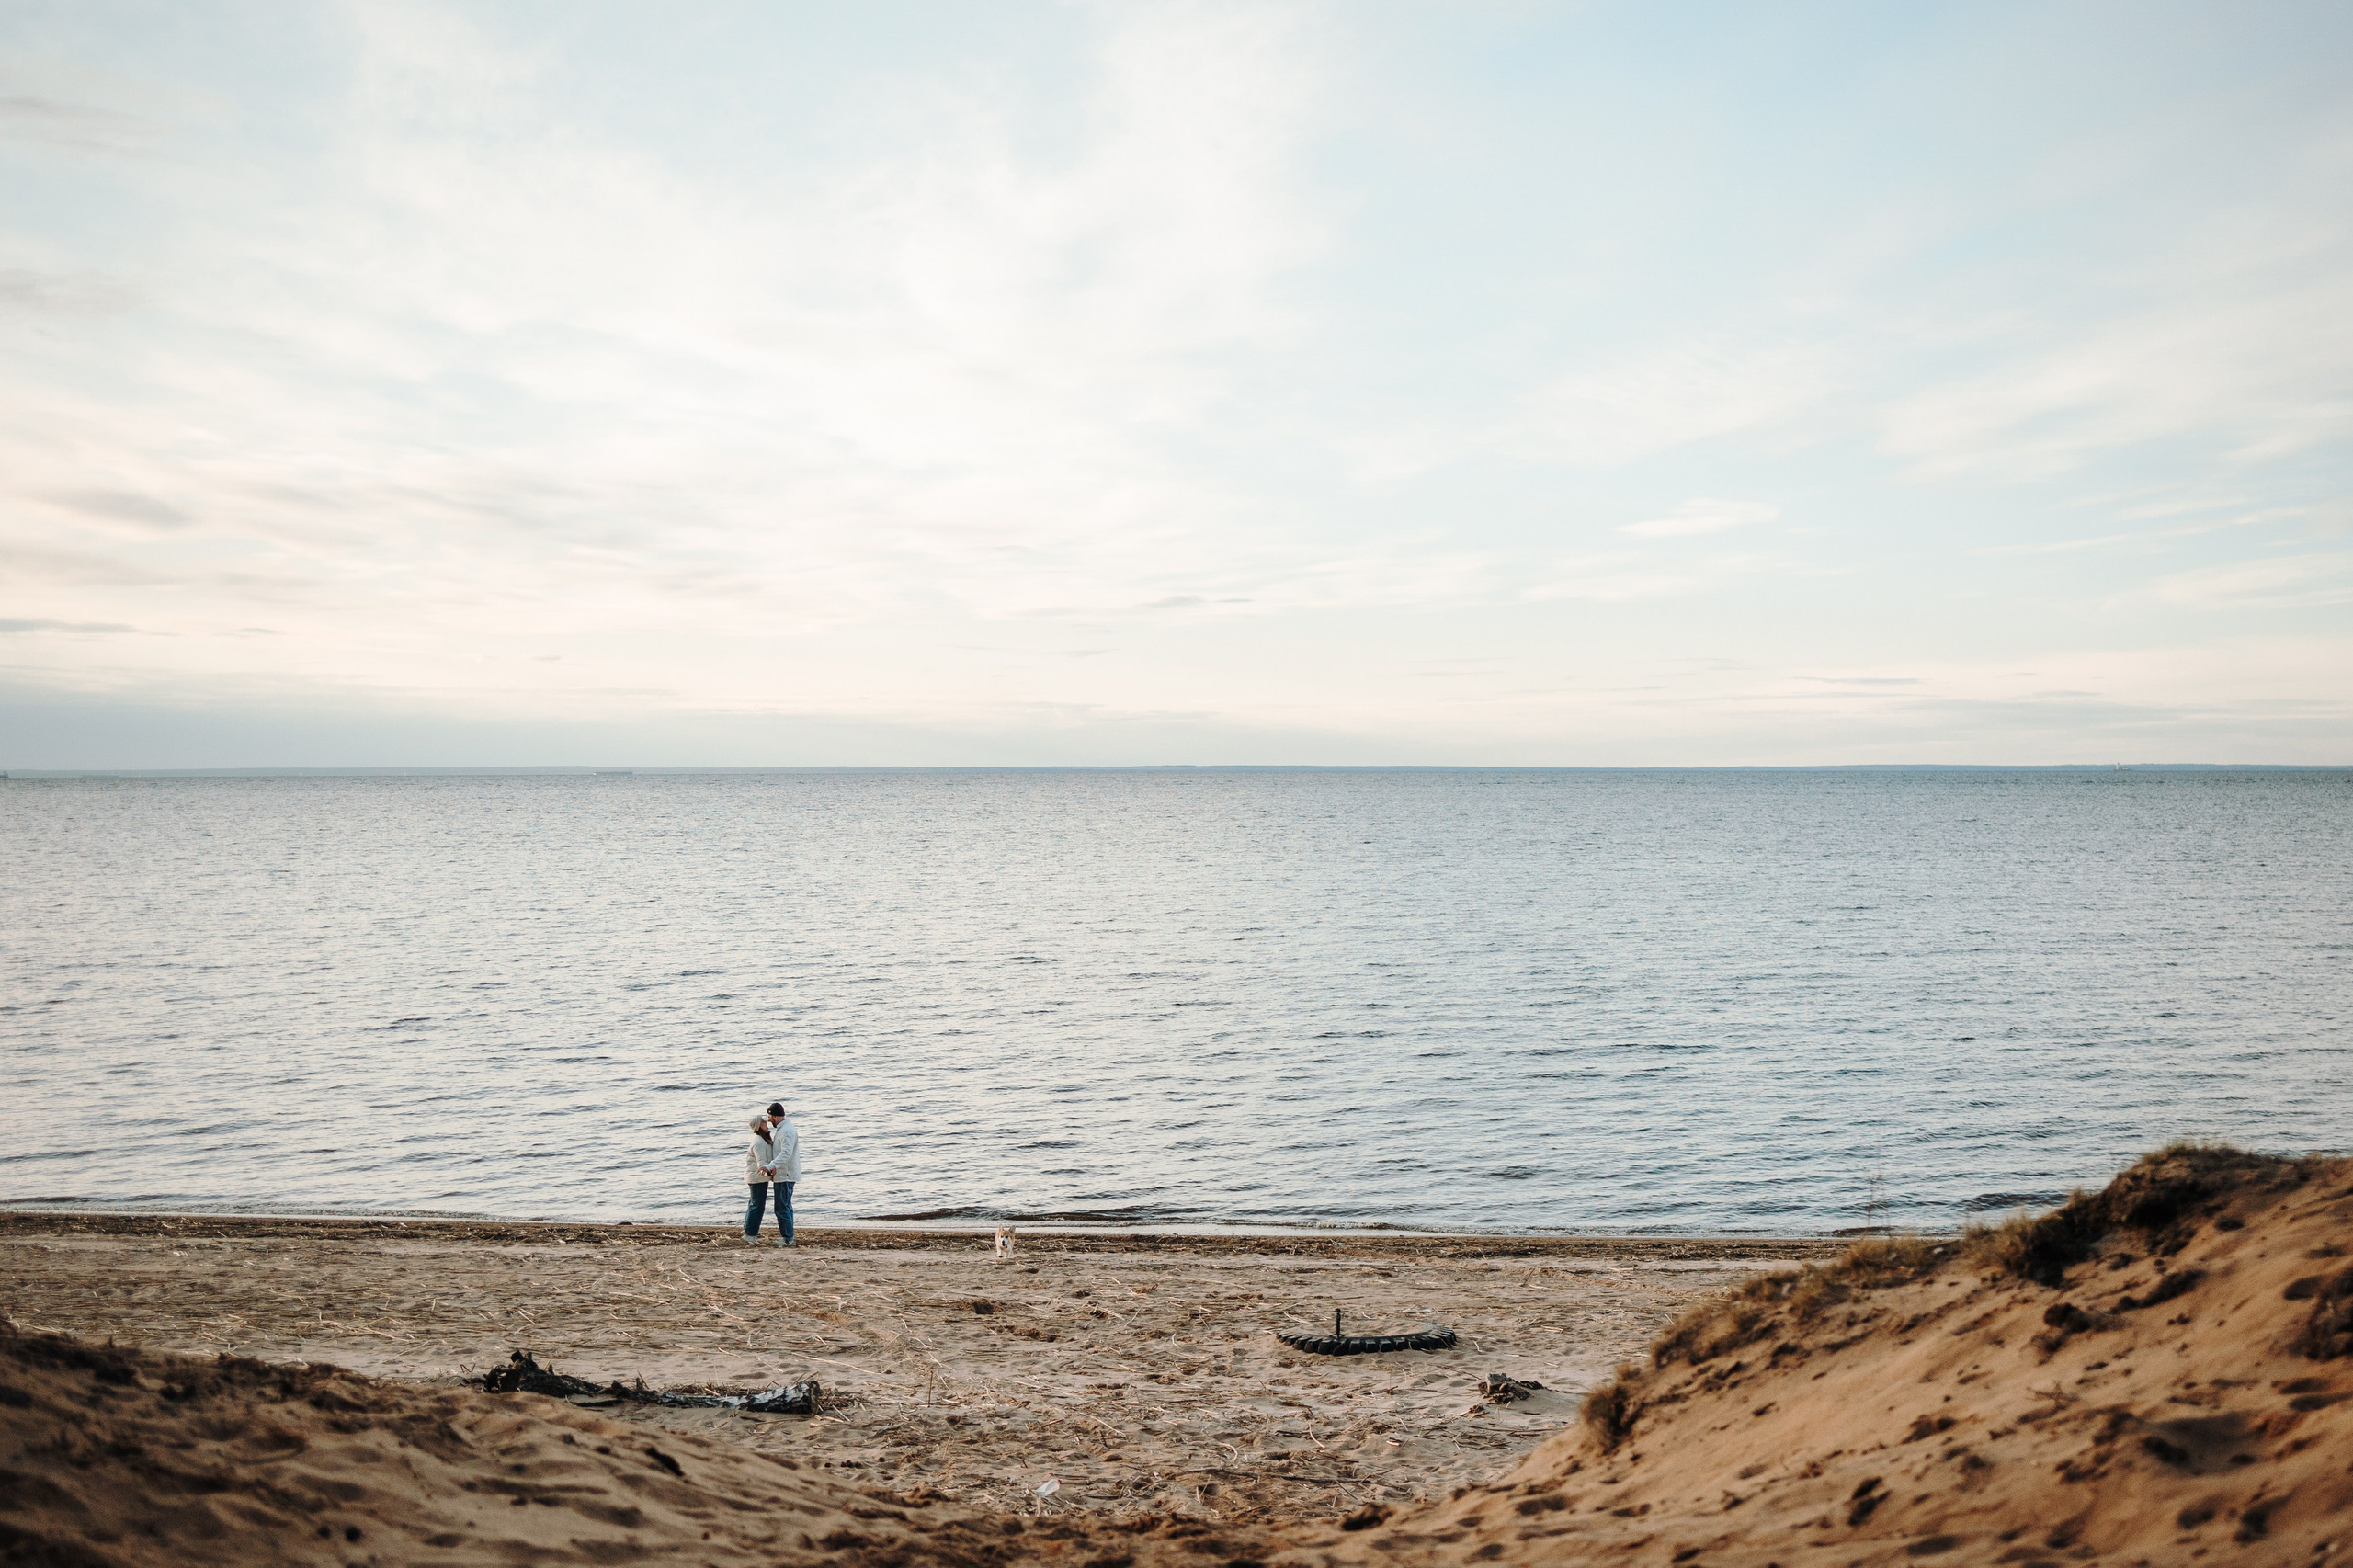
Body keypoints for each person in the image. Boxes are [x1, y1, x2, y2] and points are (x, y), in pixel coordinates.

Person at [743, 1113, 785, 1246]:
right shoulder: (759, 1142)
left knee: (755, 1204)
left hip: (759, 1178)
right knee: (757, 1206)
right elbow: (761, 1163)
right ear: (758, 1126)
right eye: (763, 1122)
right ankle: (750, 1234)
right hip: (757, 1178)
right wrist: (770, 1169)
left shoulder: (763, 1140)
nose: (766, 1123)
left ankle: (749, 1231)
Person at [764, 1102, 801, 1247]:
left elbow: (786, 1153)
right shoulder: (783, 1129)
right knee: (786, 1206)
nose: (768, 1120)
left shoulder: (786, 1131)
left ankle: (788, 1238)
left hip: (786, 1174)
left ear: (774, 1116)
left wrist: (771, 1165)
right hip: (784, 1173)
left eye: (769, 1117)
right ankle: (789, 1236)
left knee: (781, 1208)